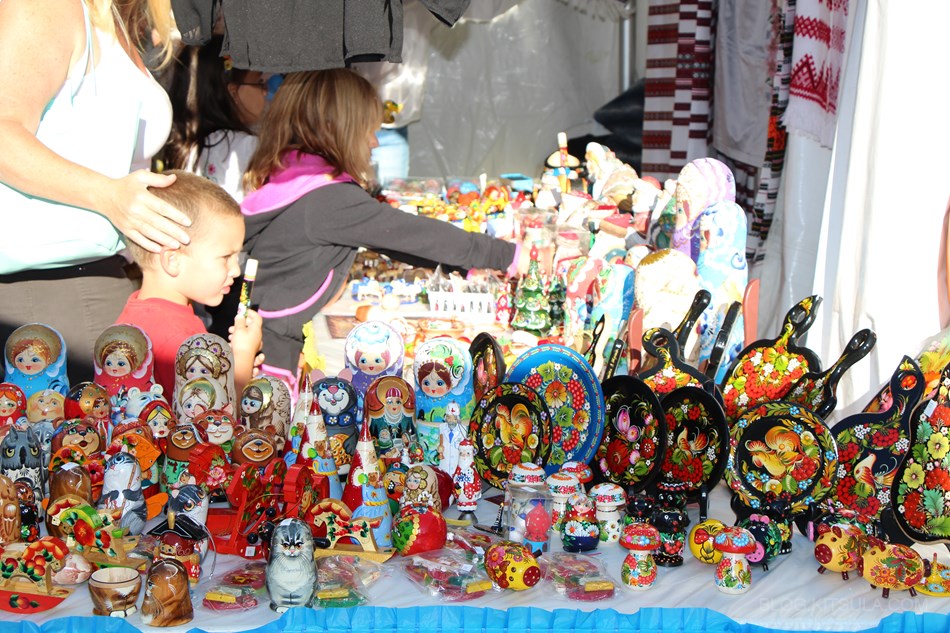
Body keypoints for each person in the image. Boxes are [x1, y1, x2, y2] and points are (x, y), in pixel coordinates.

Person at [241, 69, 520, 388]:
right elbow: (413, 234)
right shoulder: (329, 199)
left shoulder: (301, 177)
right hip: (272, 349)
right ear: (337, 131)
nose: (374, 142)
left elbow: (392, 242)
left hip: (265, 331)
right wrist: (506, 255)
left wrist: (464, 267)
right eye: (368, 131)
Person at [0, 0, 191, 384]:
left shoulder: (114, 18)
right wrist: (107, 195)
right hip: (47, 293)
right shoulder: (47, 7)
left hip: (97, 280)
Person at [115, 170, 263, 398]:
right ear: (172, 260)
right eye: (225, 257)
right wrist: (243, 358)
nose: (235, 270)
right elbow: (217, 413)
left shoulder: (142, 313)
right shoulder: (178, 340)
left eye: (237, 257)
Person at [162, 34, 267, 204]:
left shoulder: (184, 148)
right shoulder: (249, 147)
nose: (265, 91)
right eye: (260, 82)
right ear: (233, 92)